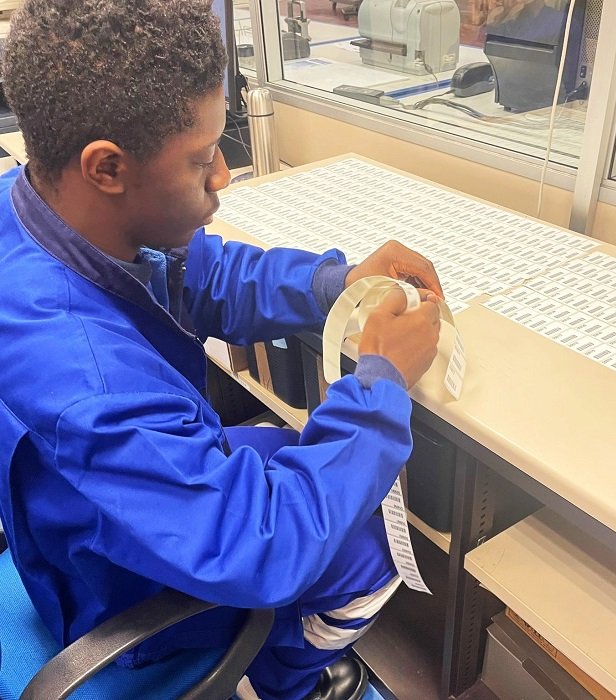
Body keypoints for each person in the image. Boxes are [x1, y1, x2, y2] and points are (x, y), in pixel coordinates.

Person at [0, 1, 443, 699]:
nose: (224, 176)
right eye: (202, 159)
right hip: (116, 584)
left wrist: (334, 283)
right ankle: (279, 683)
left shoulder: (33, 205)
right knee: (375, 537)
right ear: (107, 167)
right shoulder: (91, 380)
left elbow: (196, 274)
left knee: (299, 452)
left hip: (83, 514)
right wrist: (380, 385)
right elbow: (267, 549)